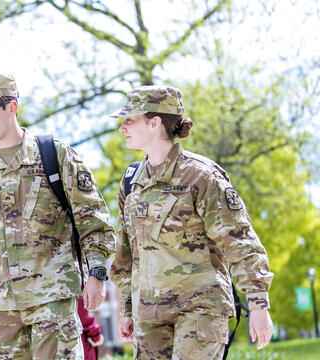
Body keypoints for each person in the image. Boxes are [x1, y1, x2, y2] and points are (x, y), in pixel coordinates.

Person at [0, 74, 116, 359]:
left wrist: (97, 274)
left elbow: (94, 221)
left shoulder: (54, 155)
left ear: (12, 107)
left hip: (53, 300)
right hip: (2, 309)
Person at [109, 85, 274, 359]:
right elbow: (126, 254)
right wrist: (127, 308)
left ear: (154, 122)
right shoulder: (131, 182)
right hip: (149, 317)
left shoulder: (201, 177)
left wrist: (258, 304)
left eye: (129, 119)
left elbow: (240, 241)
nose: (122, 127)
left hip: (200, 310)